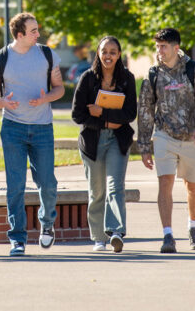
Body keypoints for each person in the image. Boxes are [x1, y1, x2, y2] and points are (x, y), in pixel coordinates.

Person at [0, 12, 65, 256]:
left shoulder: (47, 54)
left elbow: (60, 88)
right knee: (15, 185)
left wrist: (46, 98)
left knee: (48, 183)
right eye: (33, 31)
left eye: (37, 30)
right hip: (13, 129)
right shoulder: (0, 59)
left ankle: (47, 225)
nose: (38, 34)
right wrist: (2, 102)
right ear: (19, 35)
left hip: (43, 127)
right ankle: (17, 238)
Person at [137, 27, 195, 254]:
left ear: (176, 48)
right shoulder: (152, 74)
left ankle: (193, 226)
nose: (159, 51)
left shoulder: (193, 70)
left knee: (193, 186)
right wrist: (144, 146)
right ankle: (168, 235)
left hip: (193, 138)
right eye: (157, 47)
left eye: (164, 47)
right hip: (164, 135)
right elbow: (145, 111)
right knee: (165, 183)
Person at [71, 35, 138, 253]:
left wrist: (103, 113)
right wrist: (105, 121)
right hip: (93, 140)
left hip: (117, 141)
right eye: (104, 51)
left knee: (115, 187)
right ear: (98, 54)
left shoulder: (127, 78)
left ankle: (116, 232)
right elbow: (77, 114)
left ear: (119, 55)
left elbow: (130, 113)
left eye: (113, 52)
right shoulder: (88, 78)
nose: (108, 55)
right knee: (97, 191)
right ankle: (98, 238)